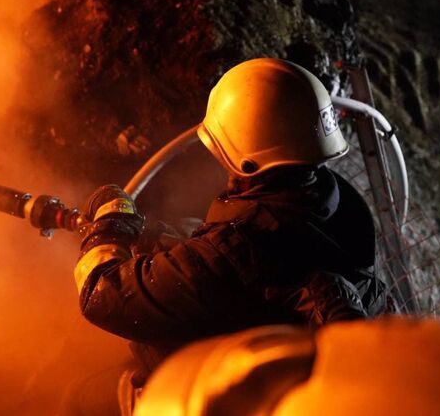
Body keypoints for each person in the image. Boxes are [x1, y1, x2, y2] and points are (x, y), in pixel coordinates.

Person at [73, 58, 390, 386]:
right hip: (283, 381)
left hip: (213, 391)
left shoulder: (234, 250)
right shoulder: (339, 207)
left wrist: (108, 225)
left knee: (80, 398)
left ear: (244, 155)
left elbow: (102, 294)